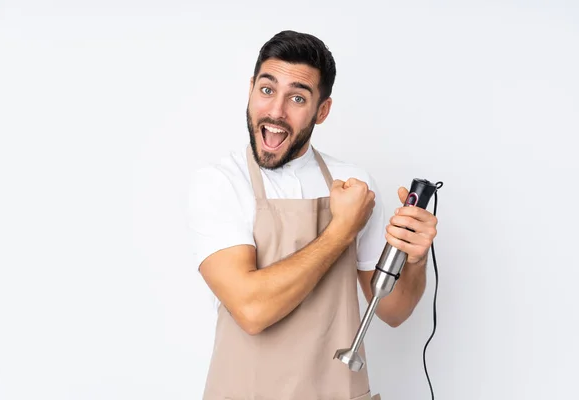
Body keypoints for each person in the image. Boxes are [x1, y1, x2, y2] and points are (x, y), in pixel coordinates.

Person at [186, 30, 439, 400]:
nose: (276, 111)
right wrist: (341, 231)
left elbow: (394, 311)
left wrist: (414, 259)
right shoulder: (219, 183)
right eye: (267, 90)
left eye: (297, 98)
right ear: (251, 89)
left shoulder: (355, 186)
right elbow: (252, 309)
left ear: (322, 110)